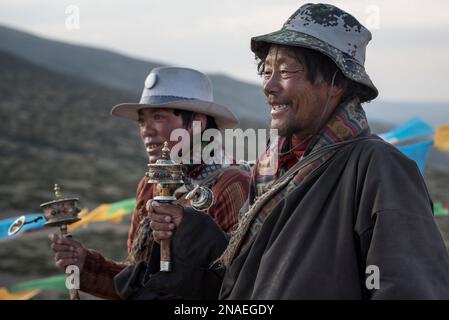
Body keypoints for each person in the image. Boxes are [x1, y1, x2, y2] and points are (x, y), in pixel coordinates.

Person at [141, 4, 449, 299]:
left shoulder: (378, 167)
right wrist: (191, 228)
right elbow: (246, 284)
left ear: (335, 83)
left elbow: (410, 287)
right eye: (266, 70)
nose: (269, 86)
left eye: (286, 71)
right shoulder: (271, 169)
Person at [48, 67, 250, 299]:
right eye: (142, 121)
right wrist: (87, 264)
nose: (146, 130)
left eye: (159, 117)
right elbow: (137, 277)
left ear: (197, 124)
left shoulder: (233, 185)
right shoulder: (150, 183)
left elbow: (228, 283)